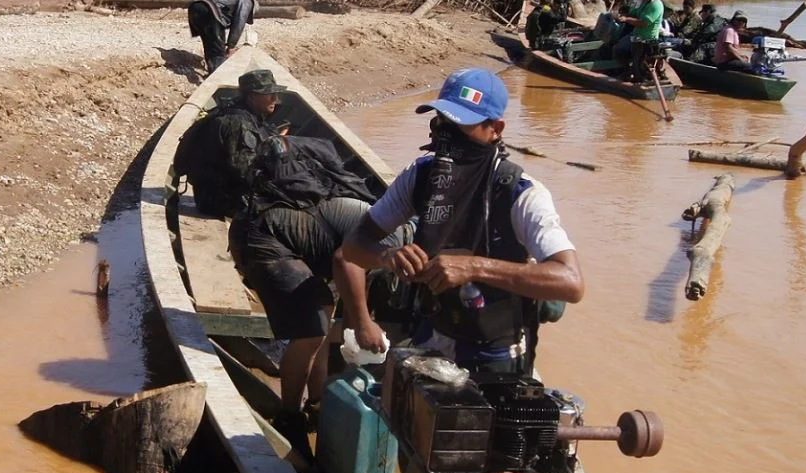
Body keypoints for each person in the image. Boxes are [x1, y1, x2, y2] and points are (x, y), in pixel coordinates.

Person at [341, 68, 583, 376]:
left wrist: (474, 268)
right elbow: (353, 245)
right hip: (433, 334)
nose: (447, 133)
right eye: (442, 121)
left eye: (461, 125)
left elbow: (571, 282)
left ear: (495, 129)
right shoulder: (420, 176)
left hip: (495, 352)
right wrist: (387, 256)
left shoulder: (520, 193)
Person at [229, 134, 381, 437]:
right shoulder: (391, 235)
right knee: (311, 332)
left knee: (322, 318)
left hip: (273, 234)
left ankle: (317, 401)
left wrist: (358, 324)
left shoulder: (375, 218)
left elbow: (349, 289)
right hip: (264, 241)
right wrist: (363, 325)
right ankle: (289, 416)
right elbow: (345, 261)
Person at [171, 68, 287, 218]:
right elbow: (246, 172)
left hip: (221, 193)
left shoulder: (242, 114)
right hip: (219, 201)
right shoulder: (238, 124)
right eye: (269, 94)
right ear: (252, 97)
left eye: (275, 94)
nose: (275, 99)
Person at [186, 0, 256, 74]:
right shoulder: (246, 1)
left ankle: (212, 72)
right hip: (209, 10)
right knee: (218, 53)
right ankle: (218, 76)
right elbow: (239, 23)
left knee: (210, 46)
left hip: (194, 8)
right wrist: (231, 46)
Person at [610, 0, 665, 68]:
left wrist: (627, 19)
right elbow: (636, 13)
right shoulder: (646, 2)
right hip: (636, 35)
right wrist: (622, 14)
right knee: (615, 44)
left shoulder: (655, 5)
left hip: (646, 39)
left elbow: (644, 23)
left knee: (619, 49)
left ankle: (627, 69)